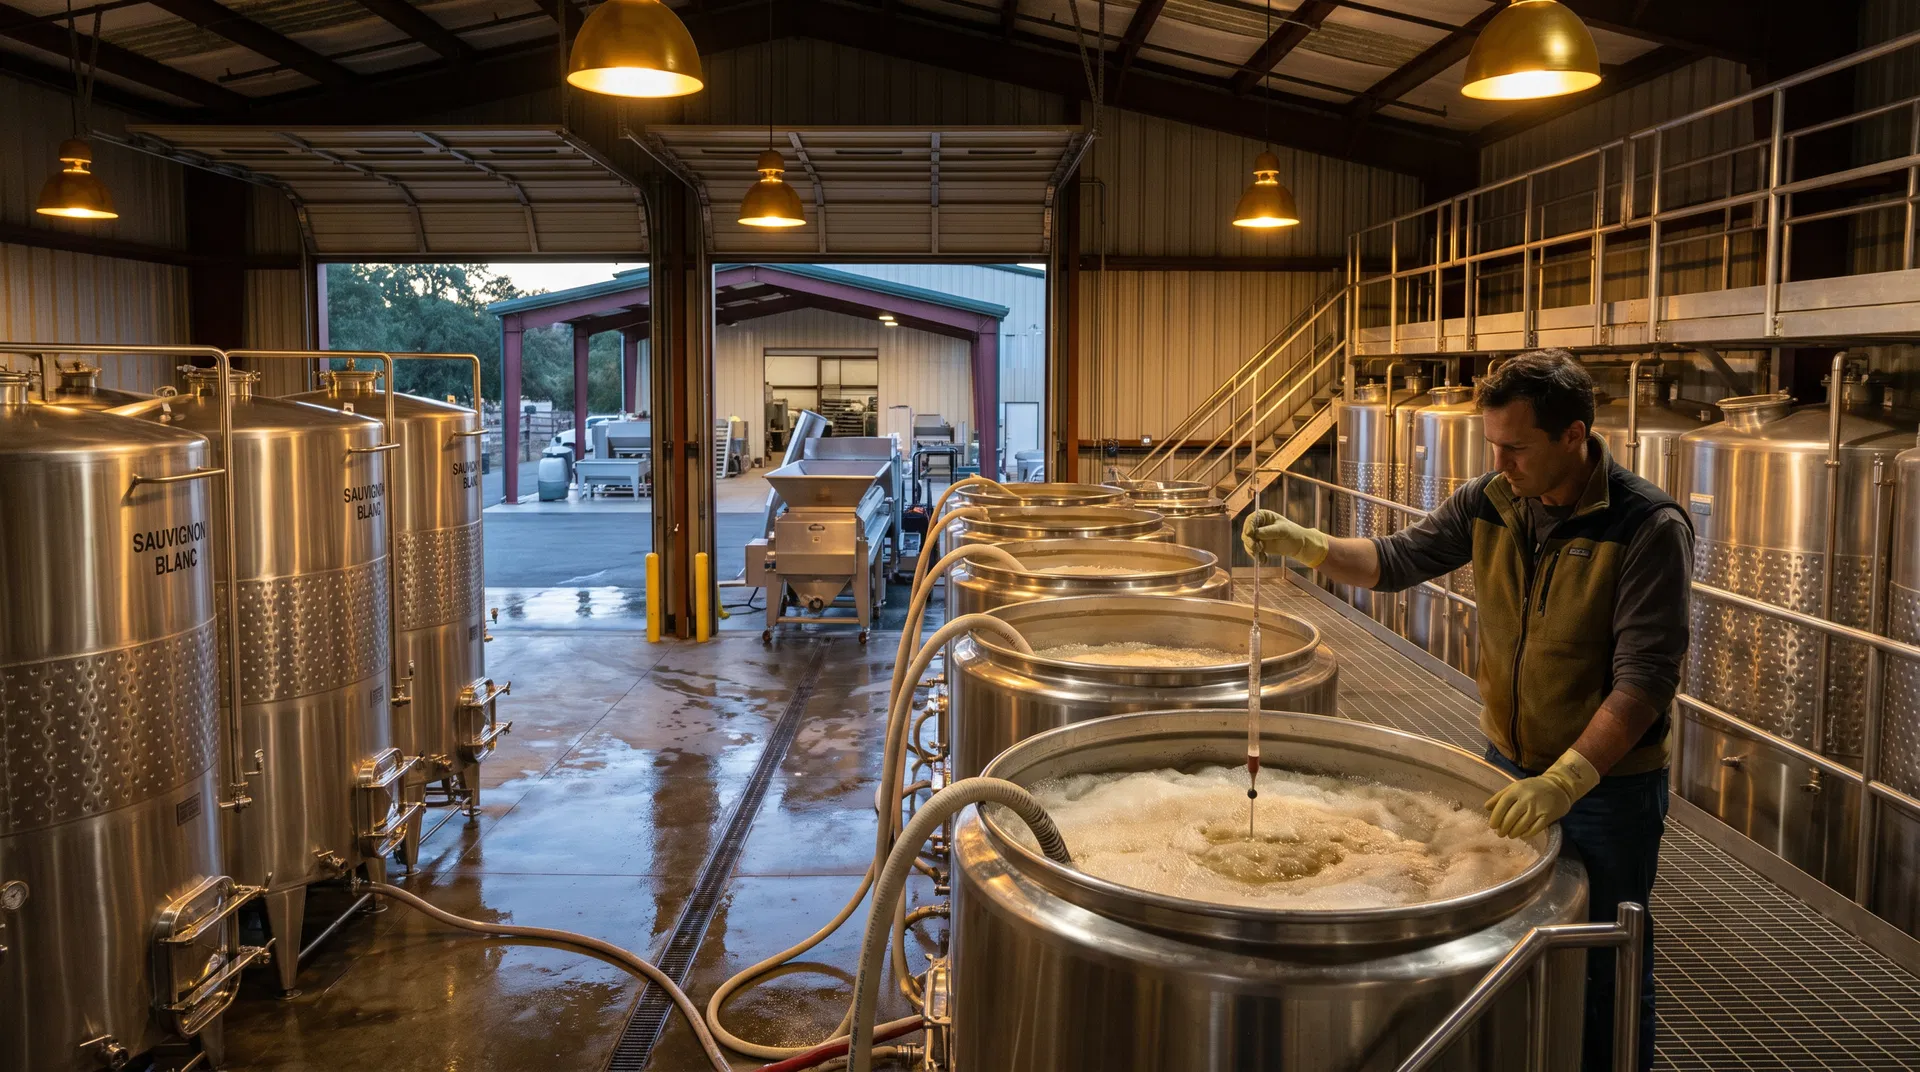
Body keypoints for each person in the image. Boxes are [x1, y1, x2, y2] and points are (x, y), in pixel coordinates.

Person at [1242, 350, 1690, 1072]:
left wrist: (1568, 780)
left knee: (1605, 960)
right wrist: (1311, 545)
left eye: (1516, 447)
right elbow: (1396, 561)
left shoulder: (1647, 526)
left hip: (1606, 790)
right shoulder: (1493, 499)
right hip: (1505, 766)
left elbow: (1644, 681)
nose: (1499, 460)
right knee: (1511, 945)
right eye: (1492, 445)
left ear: (1573, 437)